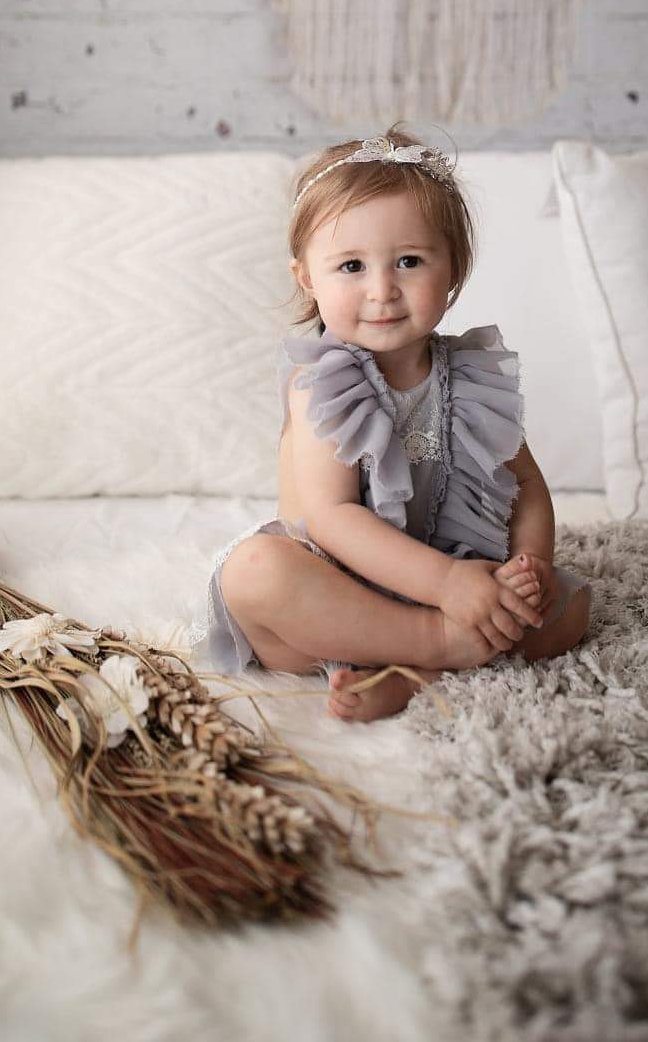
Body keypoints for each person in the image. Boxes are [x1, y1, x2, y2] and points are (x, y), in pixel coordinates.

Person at [204, 125, 593, 723]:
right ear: (307, 277)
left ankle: (414, 674)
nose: (382, 290)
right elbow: (333, 519)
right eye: (352, 266)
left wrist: (529, 565)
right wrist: (446, 589)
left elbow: (528, 486)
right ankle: (436, 645)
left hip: (453, 566)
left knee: (572, 610)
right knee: (255, 572)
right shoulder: (323, 387)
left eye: (409, 261)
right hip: (334, 593)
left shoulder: (472, 376)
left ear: (454, 269)